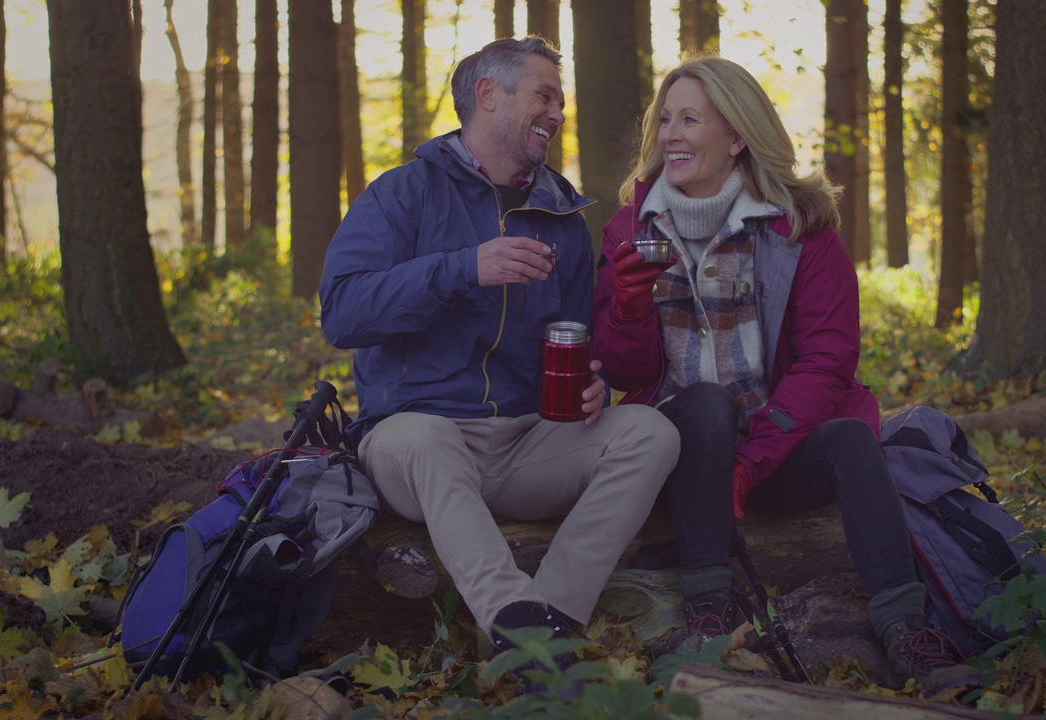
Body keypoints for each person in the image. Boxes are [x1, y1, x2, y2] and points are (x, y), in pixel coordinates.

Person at [590, 54, 982, 692]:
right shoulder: (630, 229)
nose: (670, 135)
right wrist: (631, 307)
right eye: (666, 119)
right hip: (677, 453)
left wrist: (753, 461)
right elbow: (625, 370)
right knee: (709, 404)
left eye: (690, 119)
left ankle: (907, 632)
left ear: (737, 135)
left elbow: (828, 362)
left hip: (773, 447)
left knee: (853, 440)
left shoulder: (801, 229)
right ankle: (710, 612)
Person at [318, 37, 679, 690]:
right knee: (426, 437)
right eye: (544, 95)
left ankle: (551, 622)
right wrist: (463, 268)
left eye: (562, 101)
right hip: (413, 436)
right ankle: (514, 618)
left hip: (521, 443)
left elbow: (572, 344)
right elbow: (341, 311)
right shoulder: (404, 194)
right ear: (488, 95)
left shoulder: (564, 219)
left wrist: (590, 386)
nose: (557, 112)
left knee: (651, 432)